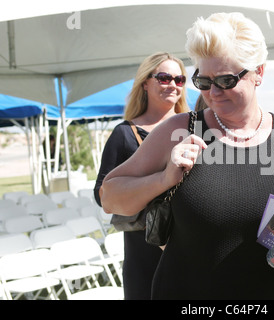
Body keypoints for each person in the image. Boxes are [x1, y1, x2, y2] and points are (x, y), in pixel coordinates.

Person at [100, 12, 274, 300]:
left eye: (226, 80)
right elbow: (110, 197)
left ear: (258, 73)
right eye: (203, 81)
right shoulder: (178, 129)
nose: (213, 92)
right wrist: (163, 178)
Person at [94, 52, 190, 299]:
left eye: (179, 79)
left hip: (190, 245)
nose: (173, 85)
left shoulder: (195, 128)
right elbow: (102, 195)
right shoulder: (124, 134)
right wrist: (156, 183)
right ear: (145, 83)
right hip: (145, 251)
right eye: (164, 77)